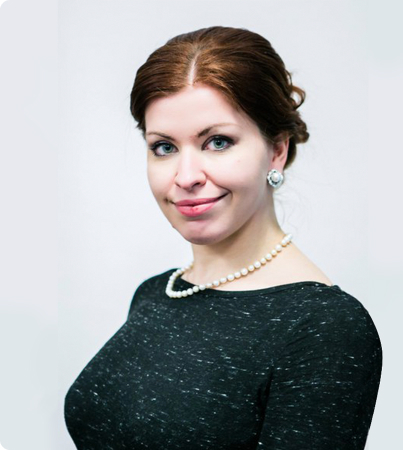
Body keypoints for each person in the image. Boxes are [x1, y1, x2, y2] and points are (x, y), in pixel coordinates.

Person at [64, 26, 382, 449]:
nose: (186, 177)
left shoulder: (324, 328)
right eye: (164, 147)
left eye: (218, 142)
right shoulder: (157, 293)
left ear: (277, 150)